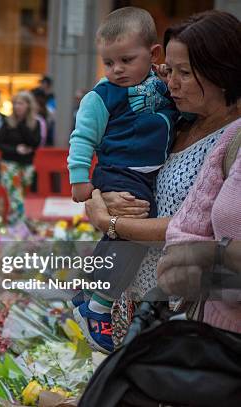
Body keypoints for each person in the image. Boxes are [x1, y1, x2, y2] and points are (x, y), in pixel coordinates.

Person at [84, 10, 240, 349]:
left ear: (222, 73)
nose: (172, 82)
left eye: (184, 72)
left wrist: (110, 222)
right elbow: (126, 171)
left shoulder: (233, 138)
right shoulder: (174, 119)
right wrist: (103, 196)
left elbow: (198, 228)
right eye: (169, 70)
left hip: (186, 310)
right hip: (136, 298)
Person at [67, 7, 179, 353]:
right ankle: (98, 304)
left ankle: (88, 291)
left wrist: (166, 75)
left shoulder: (162, 87)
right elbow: (82, 138)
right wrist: (80, 181)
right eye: (109, 62)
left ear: (154, 54)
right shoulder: (101, 96)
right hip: (120, 171)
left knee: (121, 233)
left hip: (146, 174)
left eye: (126, 60)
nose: (116, 70)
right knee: (130, 229)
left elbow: (184, 114)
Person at [158, 118, 240, 332]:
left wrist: (214, 254)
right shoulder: (235, 136)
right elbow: (185, 230)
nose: (172, 84)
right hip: (215, 341)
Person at [0, 91, 42, 224]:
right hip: (9, 162)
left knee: (20, 195)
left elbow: (35, 142)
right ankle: (20, 224)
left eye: (20, 103)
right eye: (15, 103)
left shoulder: (35, 123)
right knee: (16, 195)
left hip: (27, 163)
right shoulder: (7, 122)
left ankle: (12, 221)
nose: (17, 106)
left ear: (28, 105)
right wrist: (16, 149)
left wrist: (23, 125)